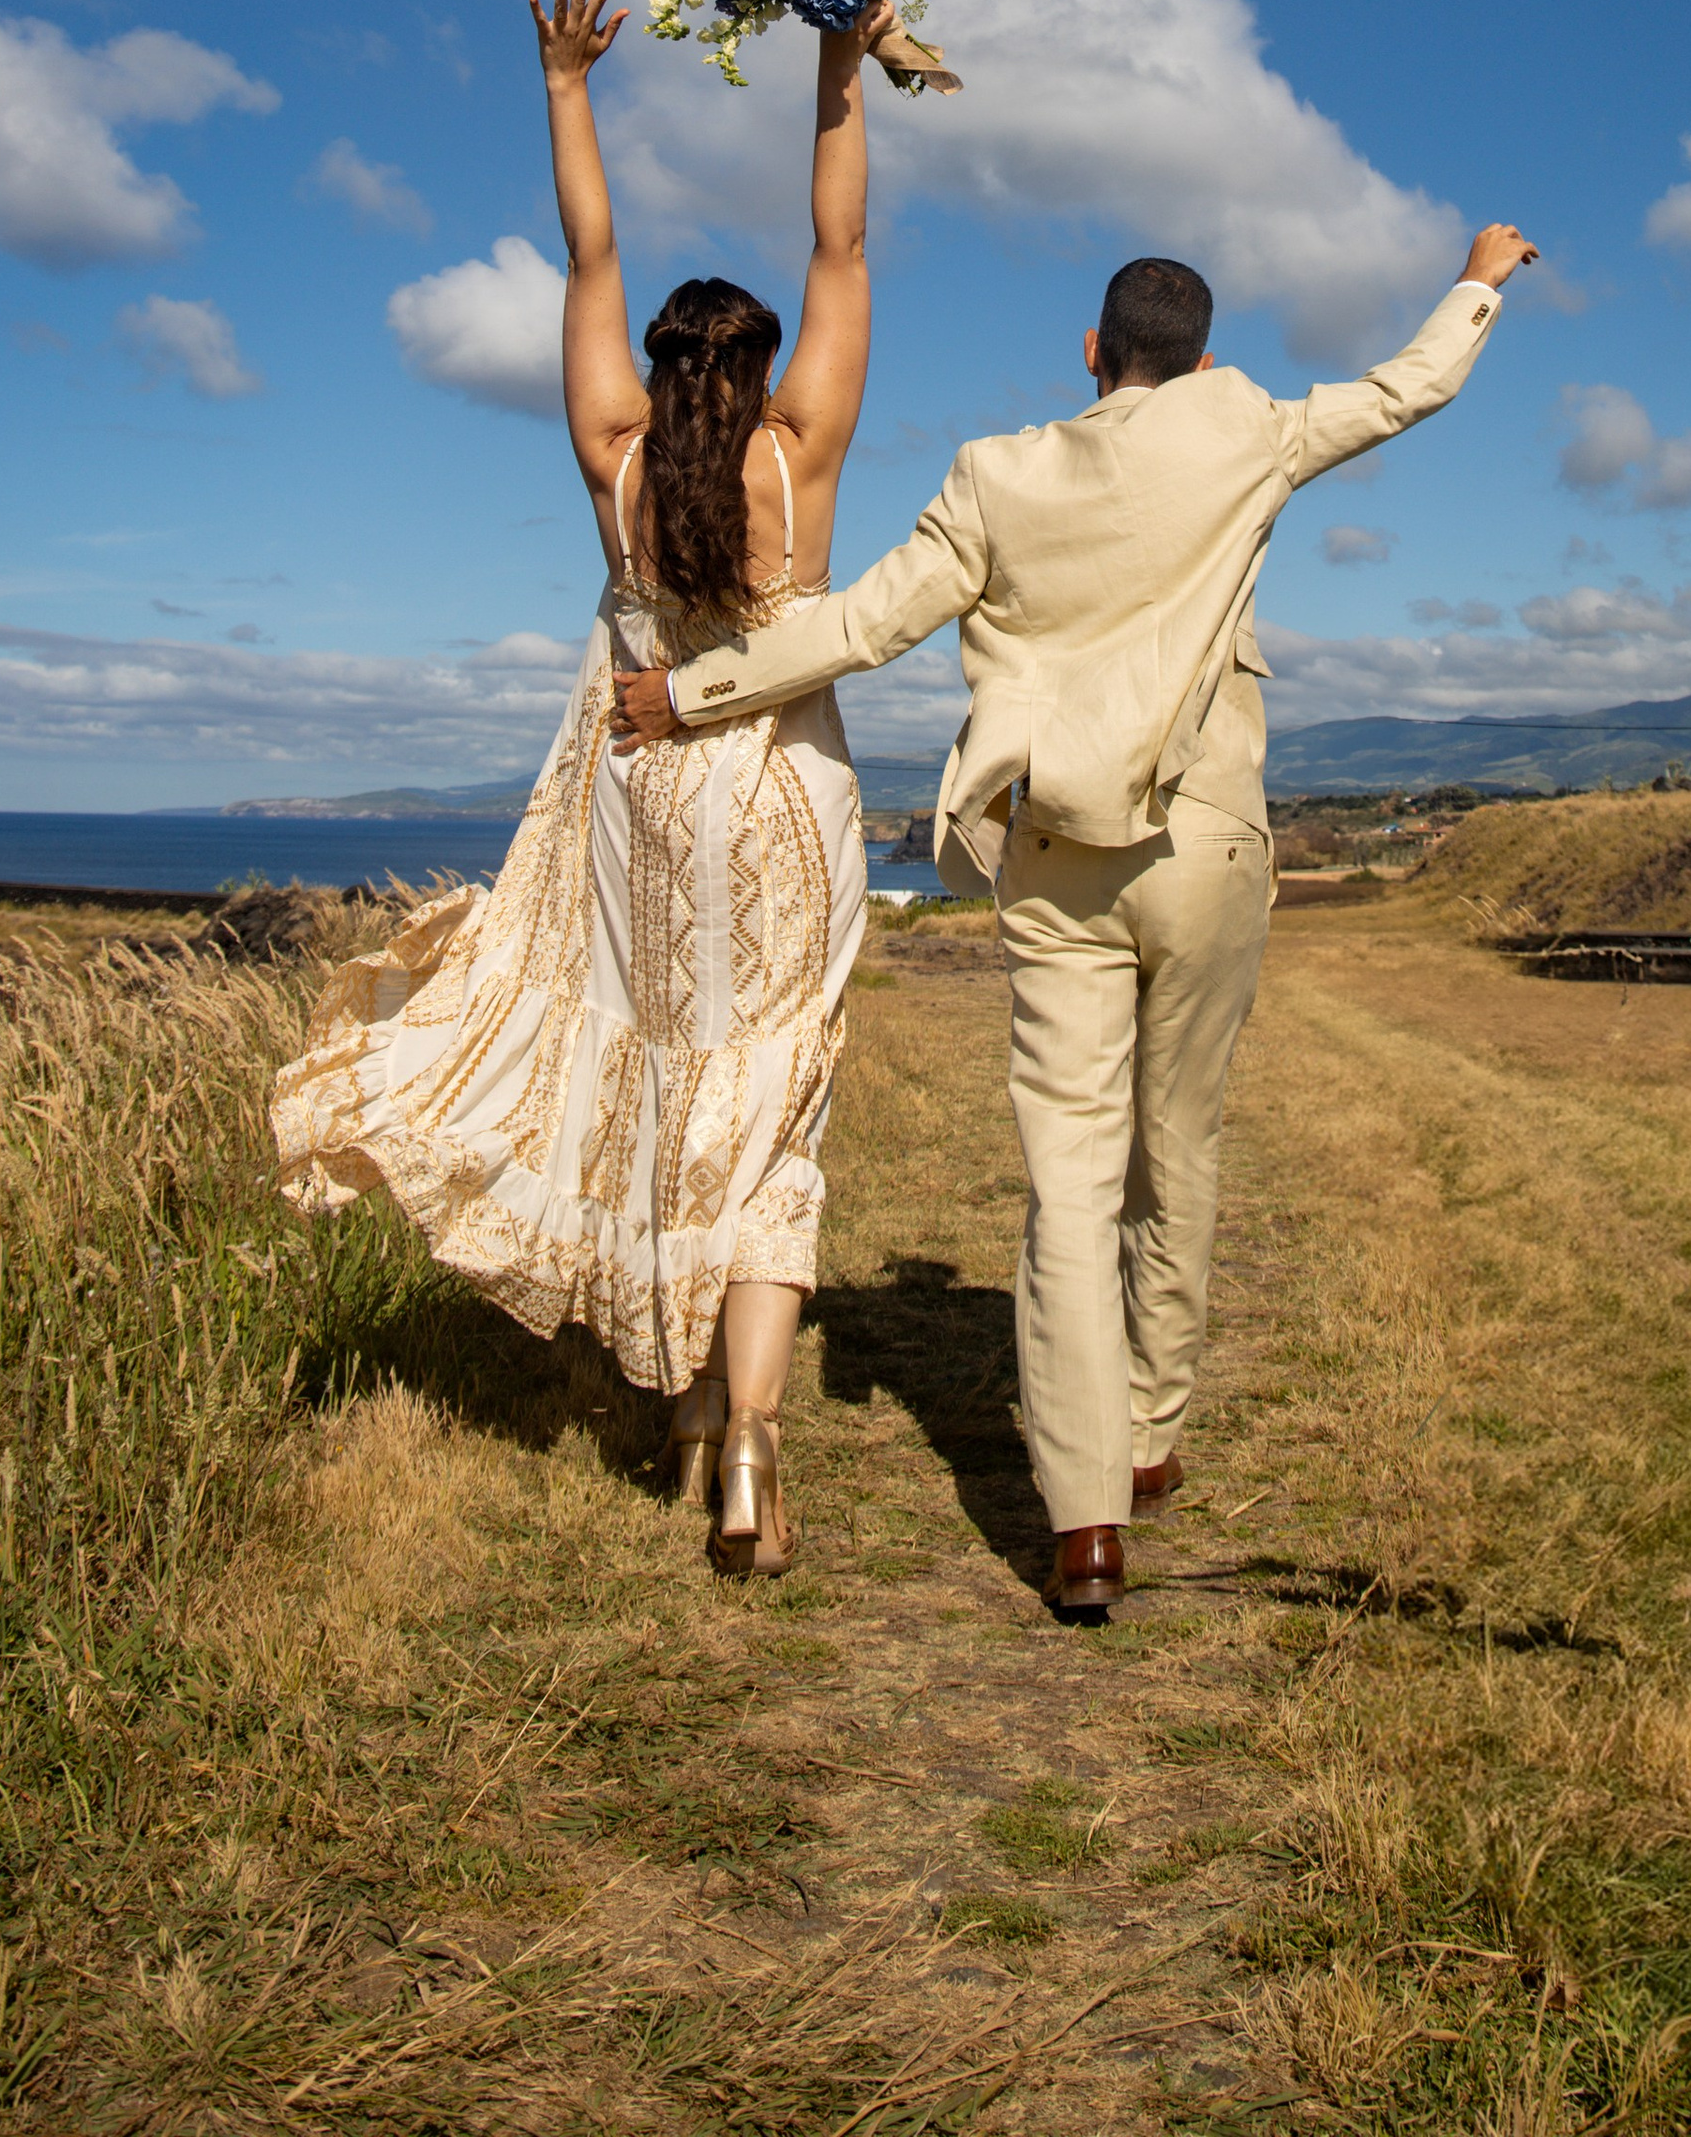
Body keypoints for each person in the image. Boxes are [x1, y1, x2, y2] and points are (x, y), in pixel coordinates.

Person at [613, 220, 1538, 1615]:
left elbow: (857, 626)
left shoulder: (997, 477)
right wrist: (1477, 278)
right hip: (1208, 843)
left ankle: (1085, 1517)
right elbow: (1410, 388)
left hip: (1054, 856)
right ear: (1202, 360)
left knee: (1071, 1178)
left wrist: (686, 694)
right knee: (1182, 1142)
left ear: (1094, 356)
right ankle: (1153, 1429)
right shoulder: (1249, 431)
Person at [272, 0, 894, 1576]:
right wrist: (840, 60)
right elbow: (843, 244)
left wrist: (567, 83)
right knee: (770, 1103)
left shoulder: (613, 462)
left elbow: (589, 250)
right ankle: (745, 1433)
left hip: (635, 807)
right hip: (781, 804)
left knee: (661, 1073)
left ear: (664, 375)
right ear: (754, 374)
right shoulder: (798, 457)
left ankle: (684, 1397)